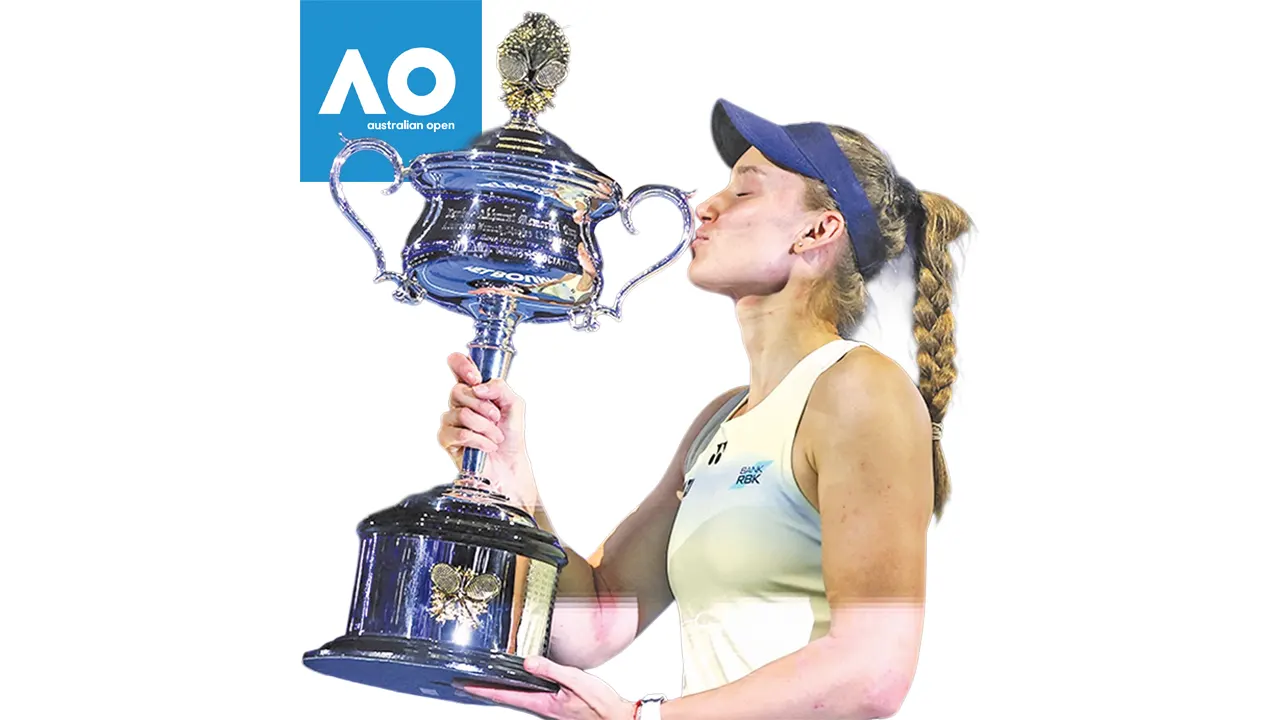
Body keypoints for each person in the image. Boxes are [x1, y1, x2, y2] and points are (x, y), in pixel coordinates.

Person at [441, 98, 973, 720]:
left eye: (744, 191)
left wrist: (644, 718)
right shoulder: (721, 420)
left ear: (817, 231)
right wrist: (510, 476)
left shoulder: (861, 390)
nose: (706, 206)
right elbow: (595, 623)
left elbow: (872, 670)